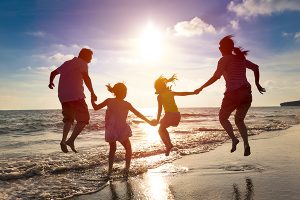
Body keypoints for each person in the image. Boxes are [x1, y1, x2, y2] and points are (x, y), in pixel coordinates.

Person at [194, 35, 266, 156]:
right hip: (247, 93)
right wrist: (257, 84)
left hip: (233, 93)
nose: (219, 48)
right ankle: (246, 144)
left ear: (224, 48)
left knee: (223, 118)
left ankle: (234, 139)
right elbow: (256, 68)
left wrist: (201, 87)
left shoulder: (224, 60)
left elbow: (215, 77)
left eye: (220, 46)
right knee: (239, 120)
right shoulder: (240, 59)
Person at [91, 82, 156, 177]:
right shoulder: (125, 103)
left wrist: (92, 100)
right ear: (118, 92)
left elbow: (96, 107)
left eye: (126, 91)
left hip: (112, 129)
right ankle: (126, 169)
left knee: (113, 149)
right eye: (124, 91)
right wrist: (149, 121)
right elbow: (137, 114)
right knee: (127, 148)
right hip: (120, 129)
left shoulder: (110, 101)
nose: (125, 93)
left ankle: (110, 171)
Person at [48, 48, 97, 153]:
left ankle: (63, 141)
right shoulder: (83, 63)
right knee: (84, 119)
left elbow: (53, 73)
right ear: (85, 56)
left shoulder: (67, 63)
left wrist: (51, 83)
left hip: (63, 97)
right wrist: (92, 93)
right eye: (90, 57)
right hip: (77, 95)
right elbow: (87, 78)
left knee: (68, 119)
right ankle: (70, 140)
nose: (91, 60)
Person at [154, 74, 197, 156]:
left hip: (169, 115)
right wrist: (193, 93)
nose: (156, 89)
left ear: (159, 87)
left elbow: (159, 109)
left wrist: (157, 120)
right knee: (163, 128)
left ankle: (168, 145)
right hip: (177, 116)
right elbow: (182, 93)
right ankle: (169, 145)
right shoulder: (170, 93)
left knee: (160, 130)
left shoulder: (159, 97)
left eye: (156, 88)